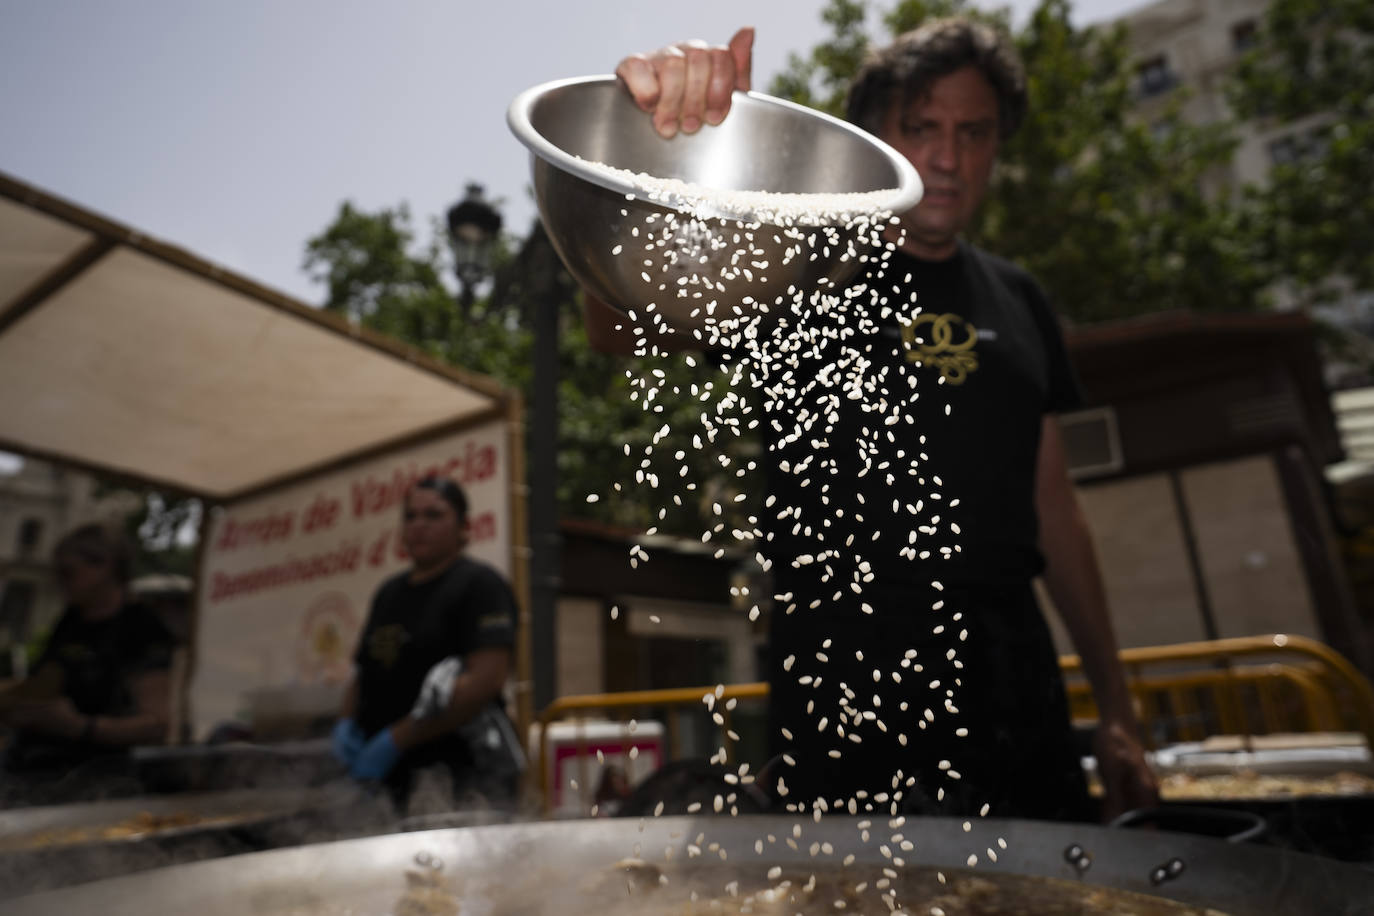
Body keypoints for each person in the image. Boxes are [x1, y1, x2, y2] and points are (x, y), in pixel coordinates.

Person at [583, 18, 1159, 822]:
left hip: (1013, 679)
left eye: (973, 132)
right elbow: (616, 323)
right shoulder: (796, 271)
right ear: (872, 139)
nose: (948, 159)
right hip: (845, 680)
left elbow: (1055, 510)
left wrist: (1118, 706)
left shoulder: (1021, 299)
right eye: (920, 129)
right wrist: (653, 154)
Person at [331, 476, 522, 811]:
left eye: (433, 515)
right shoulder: (388, 593)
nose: (419, 525)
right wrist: (346, 723)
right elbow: (363, 670)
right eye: (410, 516)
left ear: (464, 527)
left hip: (463, 777)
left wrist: (396, 739)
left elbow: (485, 679)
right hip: (394, 781)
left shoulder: (480, 585)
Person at [0, 523, 174, 802]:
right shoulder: (72, 619)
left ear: (105, 566)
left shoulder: (140, 628)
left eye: (68, 572)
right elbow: (45, 685)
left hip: (94, 782)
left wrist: (79, 726)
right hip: (27, 769)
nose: (60, 581)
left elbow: (156, 725)